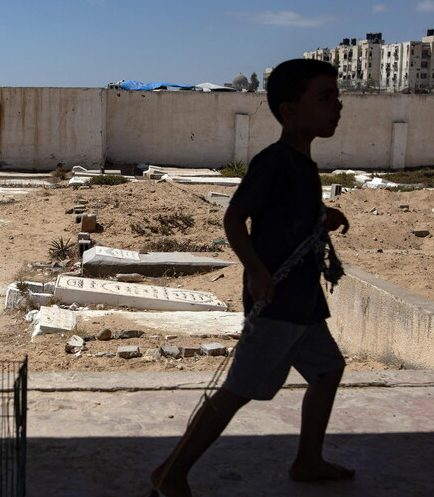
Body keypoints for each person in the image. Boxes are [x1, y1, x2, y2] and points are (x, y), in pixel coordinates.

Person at [149, 59, 354, 497]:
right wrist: (257, 273)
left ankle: (308, 460)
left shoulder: (301, 165)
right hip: (278, 299)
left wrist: (322, 217)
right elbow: (234, 218)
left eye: (337, 97)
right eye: (325, 98)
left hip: (303, 300)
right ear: (291, 111)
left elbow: (289, 217)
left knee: (328, 371)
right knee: (237, 391)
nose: (337, 106)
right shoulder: (275, 162)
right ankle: (171, 472)